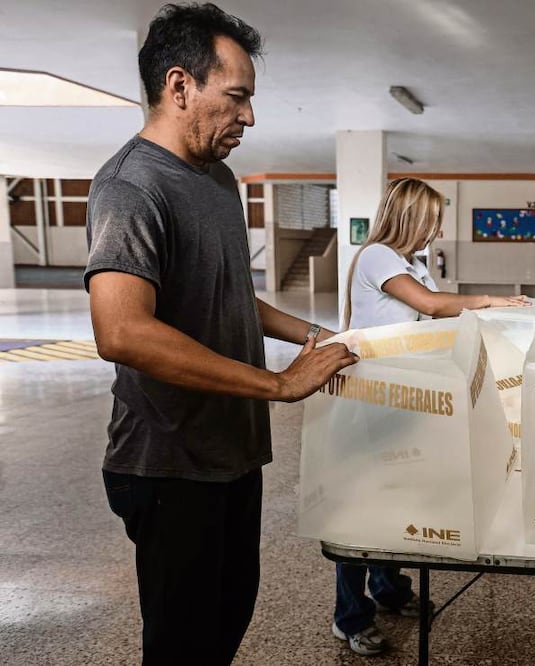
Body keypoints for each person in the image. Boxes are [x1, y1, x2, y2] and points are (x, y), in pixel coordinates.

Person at [84, 4, 358, 664]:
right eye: (236, 97)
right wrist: (276, 384)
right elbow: (121, 331)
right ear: (180, 86)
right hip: (170, 465)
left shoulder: (217, 178)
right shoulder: (131, 187)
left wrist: (314, 336)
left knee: (228, 621)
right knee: (183, 648)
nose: (250, 117)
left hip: (231, 452)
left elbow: (232, 294)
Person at [335, 177, 529, 656]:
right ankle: (349, 617)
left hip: (407, 397)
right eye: (431, 222)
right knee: (363, 510)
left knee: (402, 498)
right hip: (375, 398)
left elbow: (438, 319)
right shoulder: (378, 254)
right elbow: (429, 306)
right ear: (408, 218)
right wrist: (488, 300)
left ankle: (388, 590)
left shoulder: (413, 264)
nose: (435, 232)